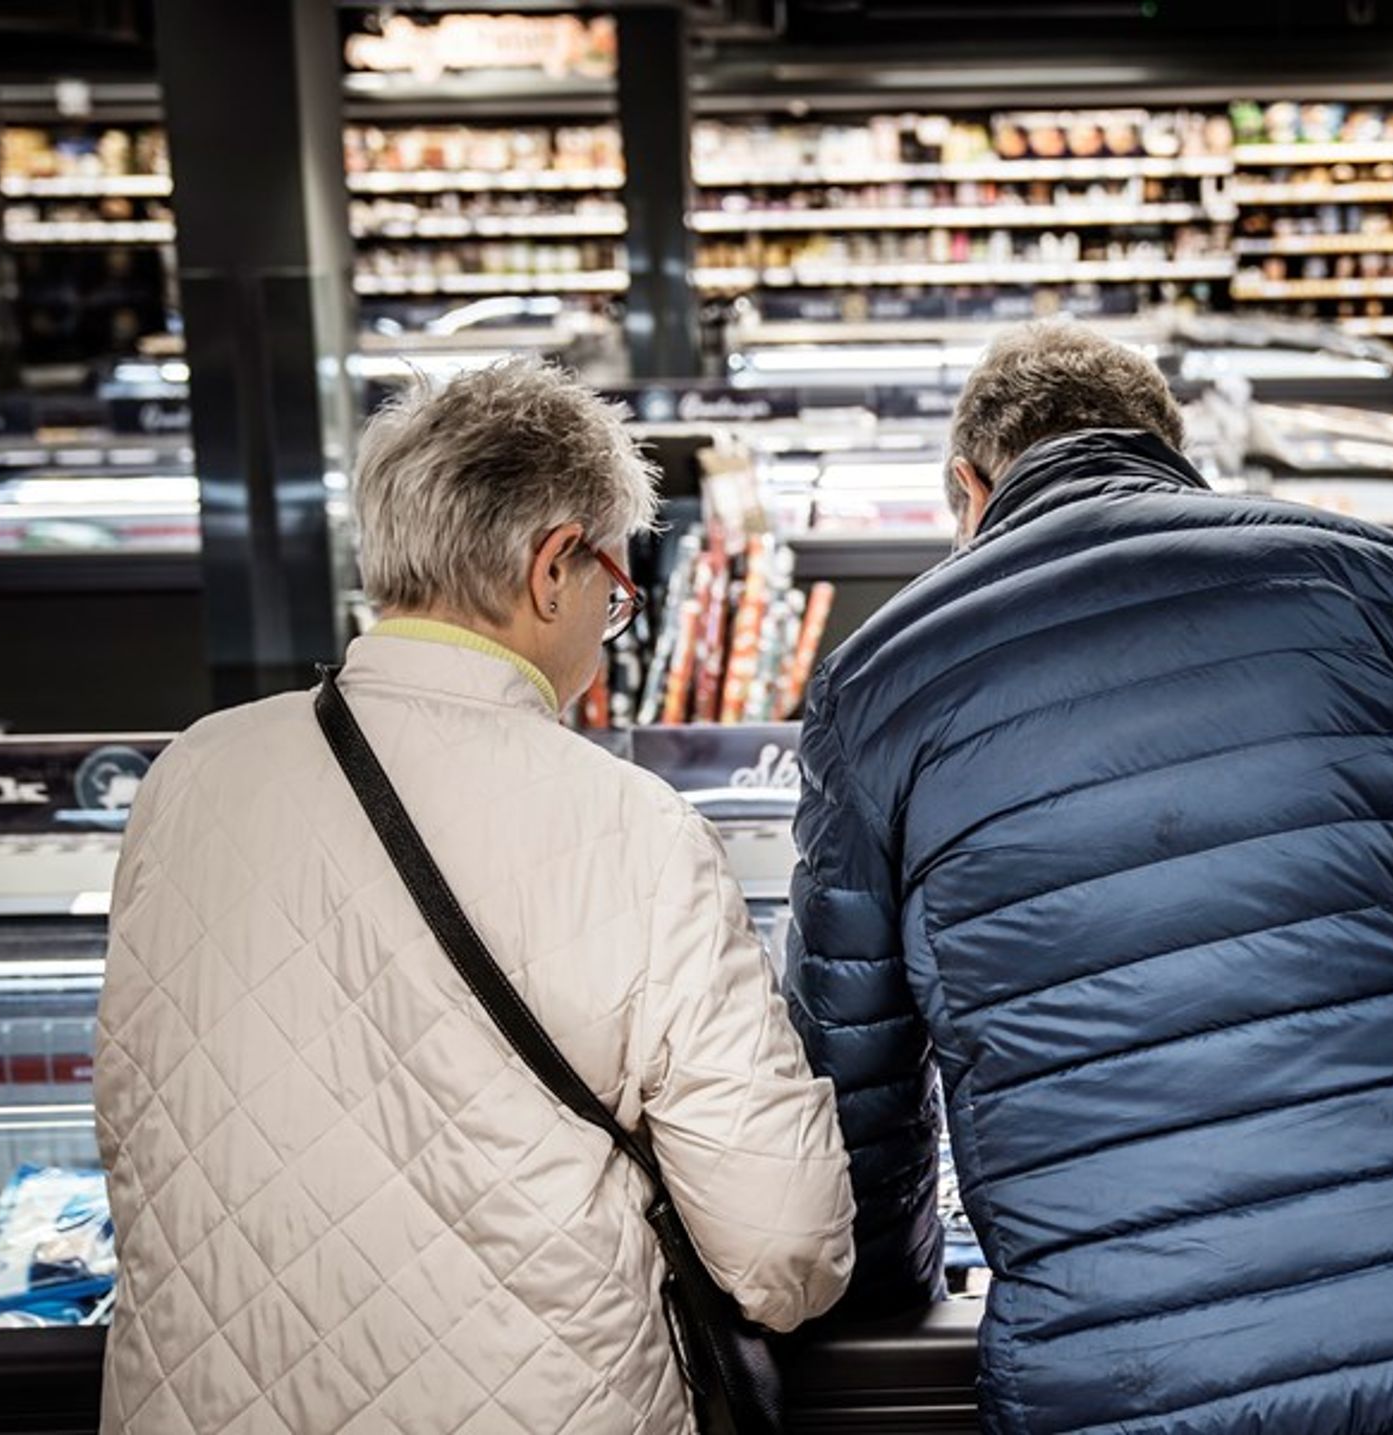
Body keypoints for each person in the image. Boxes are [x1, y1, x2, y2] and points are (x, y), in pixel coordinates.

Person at [786, 320, 1393, 1435]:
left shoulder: (876, 687)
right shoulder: (1390, 589)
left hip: (1120, 1369)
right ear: (1170, 451)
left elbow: (854, 1088)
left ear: (967, 486)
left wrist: (899, 1297)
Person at [94, 360, 855, 1435]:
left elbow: (134, 1132)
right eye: (614, 590)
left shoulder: (190, 776)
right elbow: (781, 1244)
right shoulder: (630, 828)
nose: (607, 620)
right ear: (554, 568)